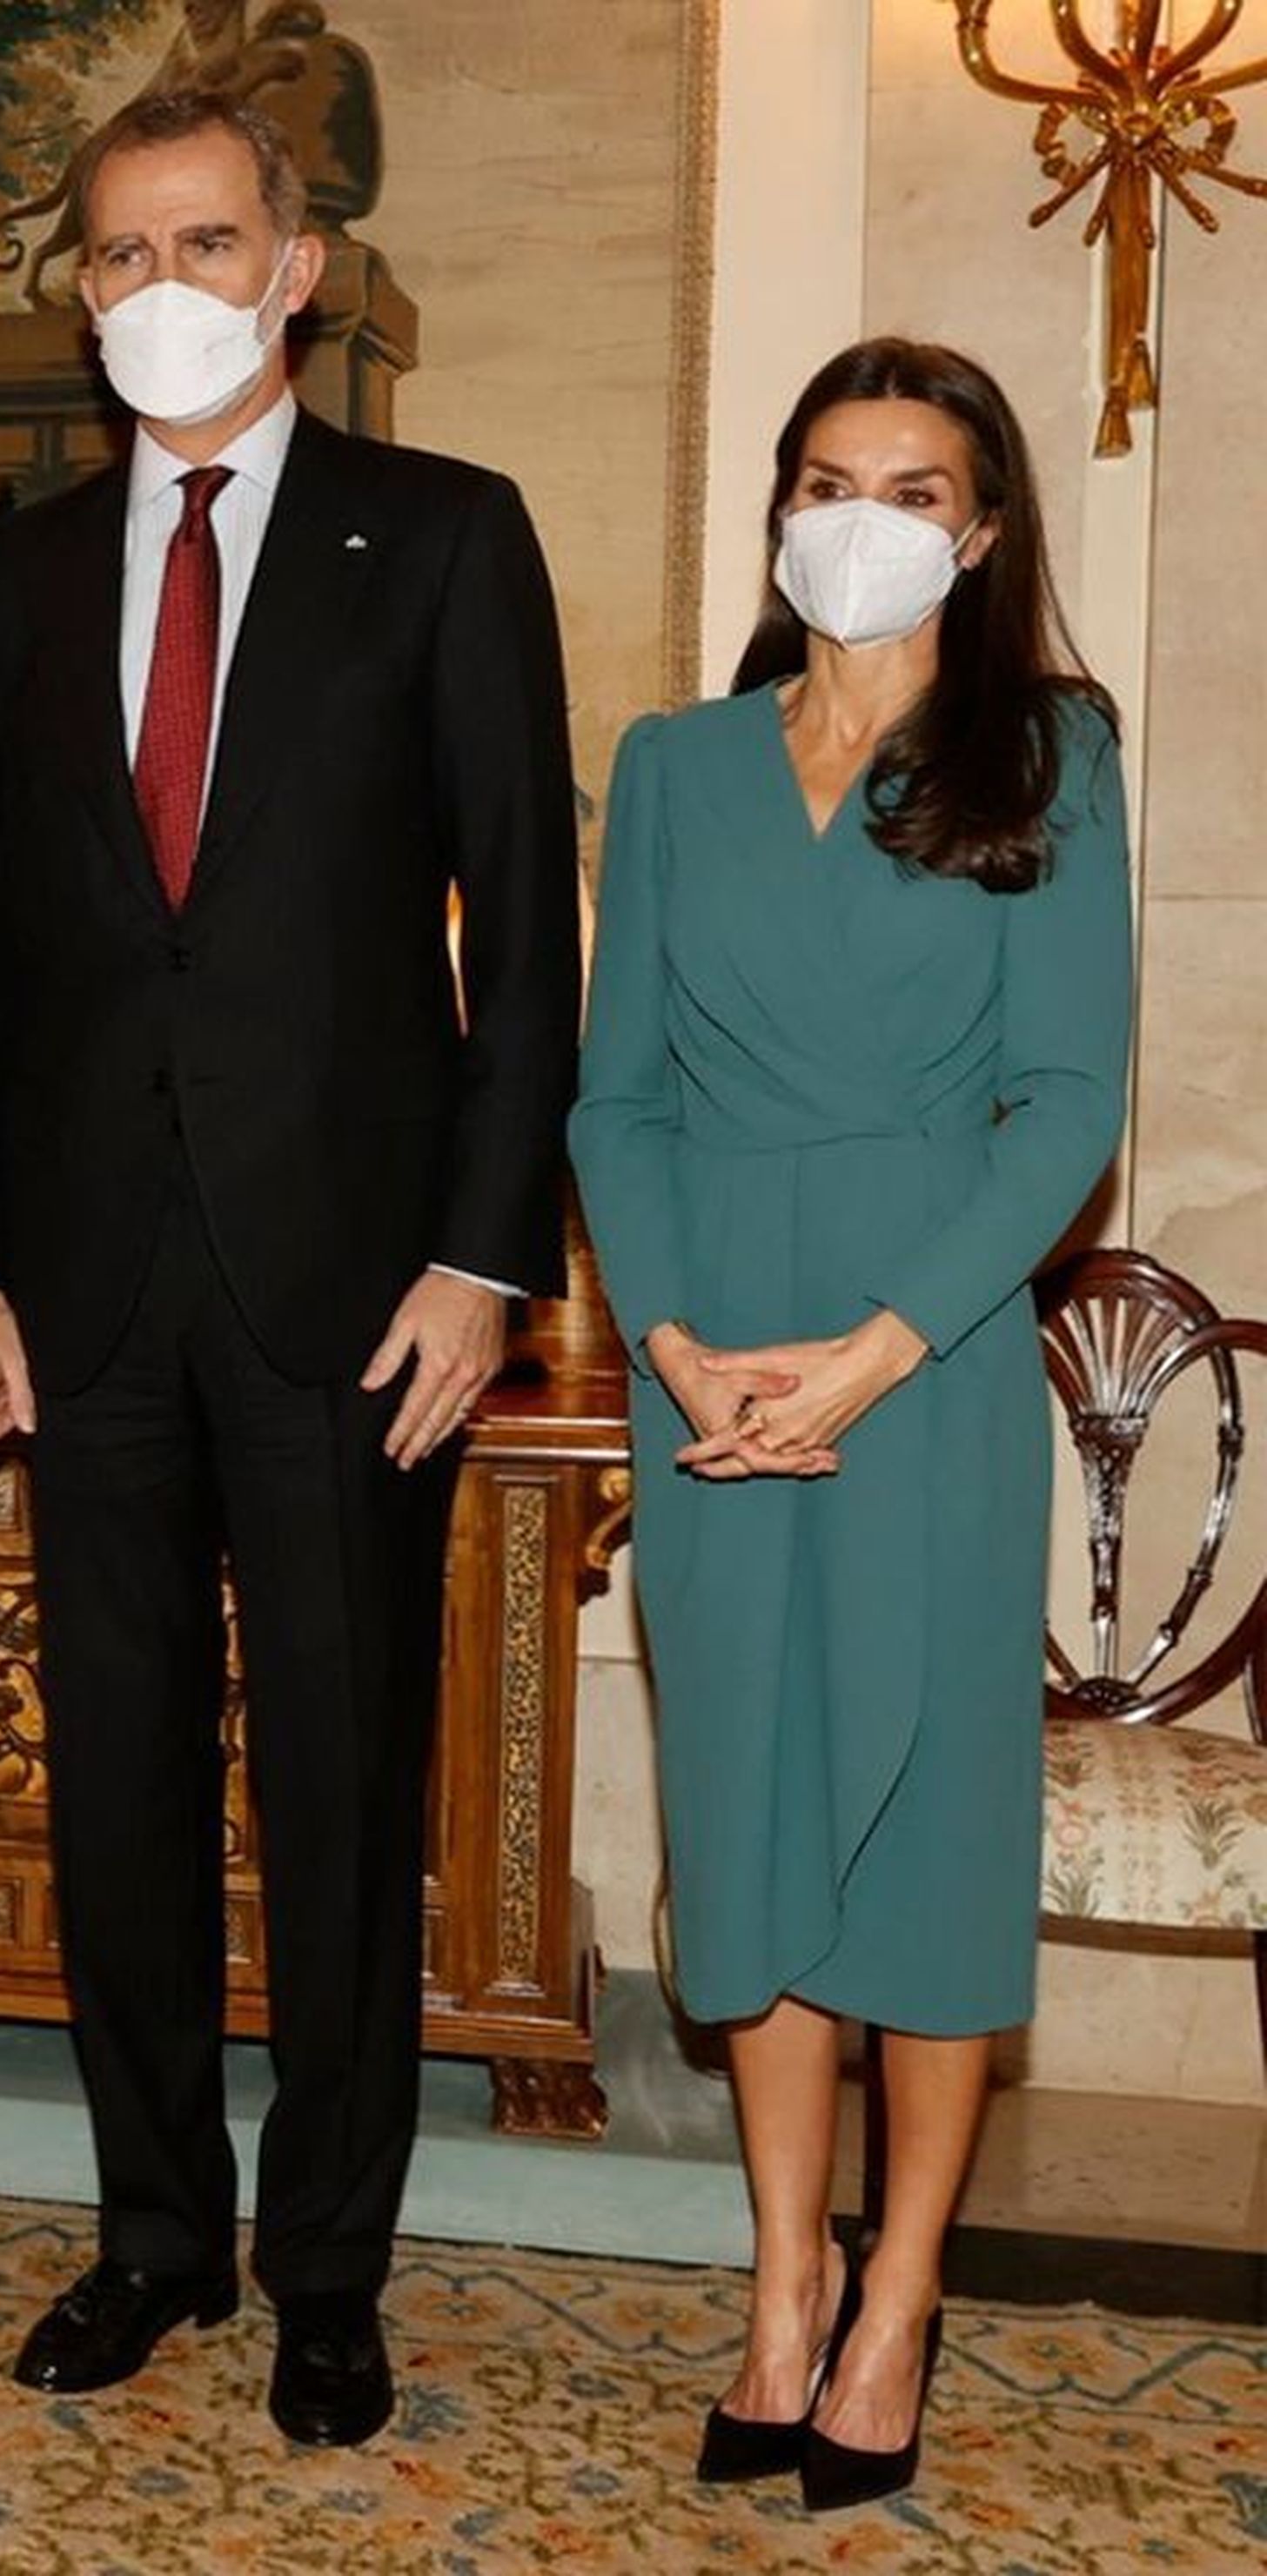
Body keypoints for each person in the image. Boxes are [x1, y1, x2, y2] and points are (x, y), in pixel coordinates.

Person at [0, 89, 579, 2446]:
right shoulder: (2, 582)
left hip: (348, 1296)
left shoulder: (449, 544)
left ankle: (328, 2272)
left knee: (340, 1787)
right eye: (116, 252)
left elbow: (530, 948)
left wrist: (489, 1261)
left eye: (205, 237)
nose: (160, 280)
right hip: (77, 1303)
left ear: (295, 266)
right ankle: (155, 2241)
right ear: (79, 292)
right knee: (116, 1803)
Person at [570, 338, 1131, 2513]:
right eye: (828, 474)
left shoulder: (1048, 755)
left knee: (916, 1832)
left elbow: (1064, 1103)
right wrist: (684, 1345)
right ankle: (778, 2287)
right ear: (779, 503)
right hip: (712, 1367)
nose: (862, 515)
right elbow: (614, 1091)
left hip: (930, 1358)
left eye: (913, 485)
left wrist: (878, 1349)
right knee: (761, 1825)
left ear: (978, 531)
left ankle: (899, 2299)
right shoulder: (678, 760)